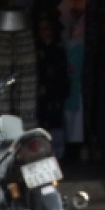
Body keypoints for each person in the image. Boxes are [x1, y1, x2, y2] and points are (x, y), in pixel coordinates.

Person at [35, 13, 69, 160]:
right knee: (41, 121)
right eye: (41, 29)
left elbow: (63, 73)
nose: (44, 32)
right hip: (40, 93)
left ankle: (58, 154)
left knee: (56, 122)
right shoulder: (36, 51)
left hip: (56, 92)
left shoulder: (59, 50)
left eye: (47, 29)